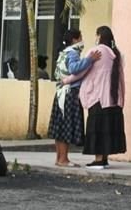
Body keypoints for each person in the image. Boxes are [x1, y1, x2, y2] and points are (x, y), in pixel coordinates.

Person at [47, 30, 99, 167]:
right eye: (81, 37)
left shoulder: (63, 53)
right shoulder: (73, 53)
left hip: (60, 93)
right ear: (75, 40)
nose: (82, 40)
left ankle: (59, 158)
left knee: (59, 127)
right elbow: (74, 68)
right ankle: (64, 159)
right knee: (66, 127)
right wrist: (89, 60)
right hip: (70, 94)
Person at [80, 26, 126, 169]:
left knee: (97, 128)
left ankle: (99, 159)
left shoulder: (96, 51)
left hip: (98, 97)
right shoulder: (117, 54)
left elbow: (82, 70)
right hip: (113, 98)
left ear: (99, 36)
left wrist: (67, 80)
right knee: (108, 129)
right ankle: (104, 158)